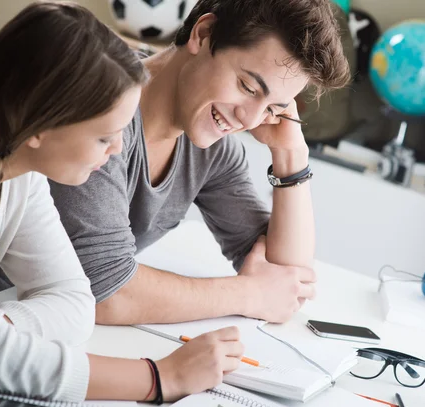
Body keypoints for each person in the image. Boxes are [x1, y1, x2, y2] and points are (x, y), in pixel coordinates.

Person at [0, 1, 242, 403]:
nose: (118, 149)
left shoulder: (18, 170)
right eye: (105, 137)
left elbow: (73, 300)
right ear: (40, 125)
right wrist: (158, 377)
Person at [49, 0, 351, 326]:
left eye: (272, 109)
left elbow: (287, 280)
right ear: (204, 34)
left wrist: (292, 157)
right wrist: (248, 294)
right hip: (2, 324)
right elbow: (102, 291)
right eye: (247, 87)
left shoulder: (213, 151)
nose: (249, 120)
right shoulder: (102, 101)